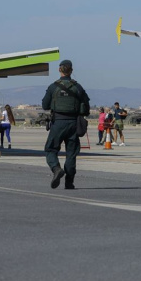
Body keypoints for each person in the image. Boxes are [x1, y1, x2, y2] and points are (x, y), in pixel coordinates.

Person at [42, 59, 90, 190]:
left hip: (58, 122)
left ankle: (56, 168)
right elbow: (86, 108)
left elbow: (45, 105)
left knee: (51, 149)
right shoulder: (78, 87)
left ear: (59, 70)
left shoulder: (53, 87)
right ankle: (69, 183)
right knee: (71, 154)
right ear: (71, 71)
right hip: (74, 123)